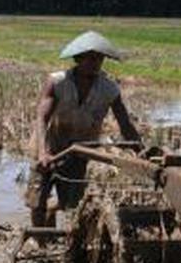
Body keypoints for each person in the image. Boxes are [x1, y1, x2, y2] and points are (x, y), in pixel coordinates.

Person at [26, 31, 142, 227]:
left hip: (79, 151)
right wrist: (43, 152)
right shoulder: (57, 82)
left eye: (99, 59)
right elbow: (42, 117)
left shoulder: (109, 88)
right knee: (37, 201)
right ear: (78, 59)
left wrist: (141, 151)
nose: (96, 63)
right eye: (91, 58)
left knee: (70, 203)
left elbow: (125, 124)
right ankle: (39, 242)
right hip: (49, 144)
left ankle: (55, 209)